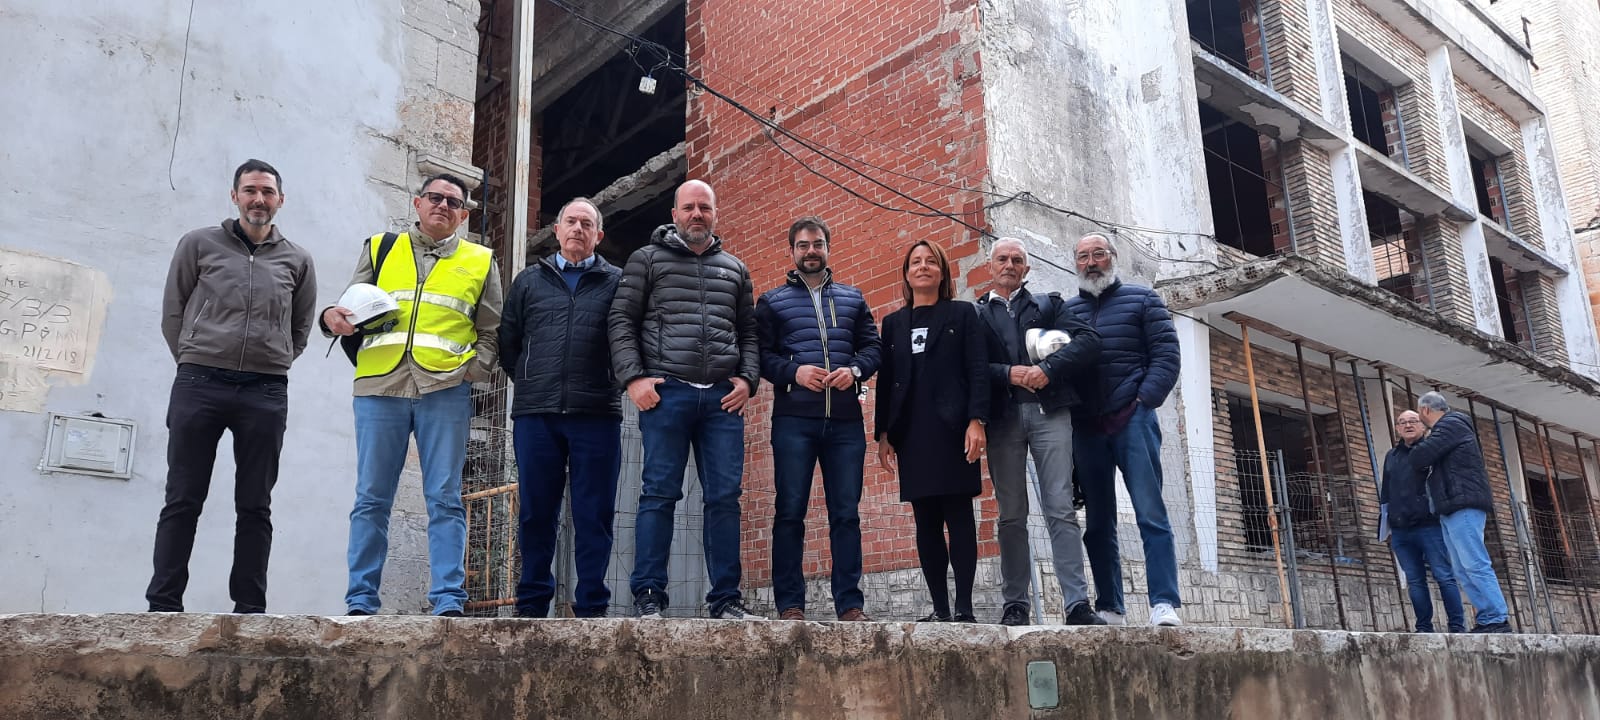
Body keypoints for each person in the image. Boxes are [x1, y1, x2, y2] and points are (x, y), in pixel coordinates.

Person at [322, 173, 502, 617]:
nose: (443, 205)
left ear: (463, 215)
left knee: (444, 497)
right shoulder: (382, 248)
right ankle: (361, 601)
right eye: (435, 198)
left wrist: (471, 372)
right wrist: (331, 315)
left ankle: (447, 600)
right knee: (371, 497)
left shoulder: (480, 260)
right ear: (418, 203)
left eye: (454, 202)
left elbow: (492, 329)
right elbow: (348, 305)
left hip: (444, 390)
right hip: (380, 386)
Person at [148, 159, 318, 613]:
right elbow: (173, 311)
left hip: (264, 390)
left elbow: (300, 326)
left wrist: (275, 357)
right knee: (183, 497)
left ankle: (249, 608)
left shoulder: (297, 259)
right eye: (250, 190)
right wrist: (194, 355)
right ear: (234, 196)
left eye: (267, 191)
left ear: (280, 199)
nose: (258, 199)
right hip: (199, 382)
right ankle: (163, 604)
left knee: (255, 504)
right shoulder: (198, 244)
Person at [608, 180, 763, 620]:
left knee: (724, 499)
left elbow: (749, 332)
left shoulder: (735, 268)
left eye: (705, 208)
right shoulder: (647, 260)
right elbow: (621, 320)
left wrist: (748, 380)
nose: (697, 214)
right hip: (666, 395)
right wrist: (634, 380)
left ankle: (726, 600)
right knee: (658, 494)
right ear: (674, 213)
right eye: (689, 207)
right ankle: (649, 596)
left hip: (722, 400)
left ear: (715, 214)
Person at [499, 197, 622, 618]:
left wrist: (610, 381)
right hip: (537, 413)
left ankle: (592, 606)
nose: (578, 229)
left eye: (587, 224)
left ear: (598, 236)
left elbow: (627, 342)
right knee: (536, 511)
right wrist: (532, 380)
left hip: (597, 413)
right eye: (570, 221)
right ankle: (532, 603)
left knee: (595, 513)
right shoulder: (529, 281)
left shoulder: (618, 283)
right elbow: (508, 341)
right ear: (556, 229)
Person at [756, 216, 882, 622]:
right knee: (790, 511)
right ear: (792, 252)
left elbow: (874, 348)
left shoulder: (853, 298)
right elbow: (760, 356)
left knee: (845, 514)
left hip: (845, 424)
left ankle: (850, 604)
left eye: (819, 244)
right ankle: (790, 604)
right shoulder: (772, 302)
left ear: (829, 248)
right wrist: (794, 372)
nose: (812, 251)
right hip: (794, 421)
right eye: (804, 245)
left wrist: (856, 371)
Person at [976, 237, 1104, 626]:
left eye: (1017, 260)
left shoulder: (1049, 305)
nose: (1010, 265)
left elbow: (1089, 342)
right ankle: (1016, 603)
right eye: (1003, 259)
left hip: (1050, 414)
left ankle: (1077, 604)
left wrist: (1047, 370)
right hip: (1003, 418)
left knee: (1061, 509)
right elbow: (970, 368)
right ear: (990, 266)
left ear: (1026, 269)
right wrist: (1008, 373)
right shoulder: (975, 314)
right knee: (1011, 514)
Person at [1063, 233, 1183, 627]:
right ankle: (1110, 607)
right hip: (1087, 427)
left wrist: (1143, 401)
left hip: (1132, 418)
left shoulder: (1143, 299)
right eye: (1083, 256)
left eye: (1098, 254)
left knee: (1151, 513)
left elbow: (1166, 356)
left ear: (1112, 258)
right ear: (1076, 263)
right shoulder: (1067, 312)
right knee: (1097, 523)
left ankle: (1164, 603)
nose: (1091, 262)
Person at [875, 239, 988, 623]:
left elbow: (977, 370)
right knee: (925, 520)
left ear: (942, 271)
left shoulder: (962, 314)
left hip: (954, 429)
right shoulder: (893, 323)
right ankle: (939, 608)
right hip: (912, 433)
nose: (922, 267)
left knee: (958, 516)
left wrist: (977, 420)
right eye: (915, 262)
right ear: (907, 274)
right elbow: (887, 380)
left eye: (930, 262)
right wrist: (883, 434)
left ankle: (964, 609)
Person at [1411, 391, 1512, 633]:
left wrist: (1421, 438)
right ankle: (1487, 619)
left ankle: (1497, 617)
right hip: (1451, 506)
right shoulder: (1449, 429)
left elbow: (1419, 458)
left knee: (1475, 563)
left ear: (1425, 410)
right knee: (1461, 567)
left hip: (1462, 503)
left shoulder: (1451, 425)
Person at [1381, 410, 1466, 633]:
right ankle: (1423, 628)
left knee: (1444, 576)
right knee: (1415, 580)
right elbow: (1386, 492)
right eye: (1402, 422)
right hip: (1401, 530)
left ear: (1423, 426)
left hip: (1430, 526)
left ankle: (1457, 627)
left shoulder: (1432, 451)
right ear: (1397, 428)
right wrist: (1386, 526)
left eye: (1413, 421)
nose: (1408, 425)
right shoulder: (1392, 456)